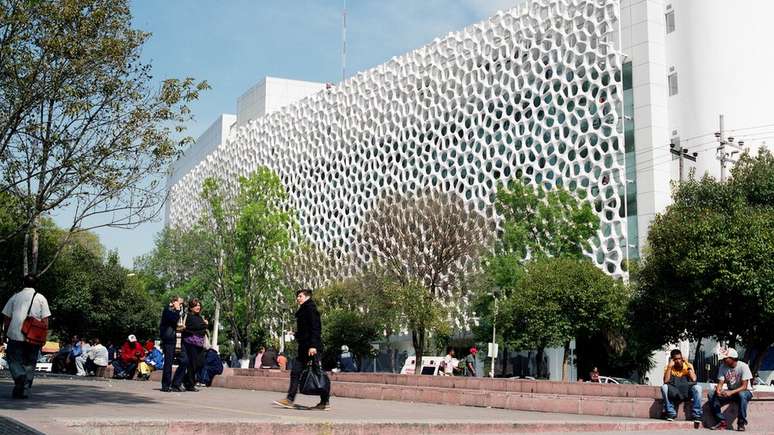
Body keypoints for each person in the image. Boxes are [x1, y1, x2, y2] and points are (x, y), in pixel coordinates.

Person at [273, 288, 330, 410]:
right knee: (296, 372)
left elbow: (316, 328)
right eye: (297, 296)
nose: (298, 298)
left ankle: (324, 402)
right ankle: (290, 399)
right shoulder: (304, 310)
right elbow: (306, 330)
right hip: (304, 347)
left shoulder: (310, 309)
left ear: (307, 297)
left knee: (318, 373)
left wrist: (313, 345)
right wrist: (296, 333)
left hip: (311, 348)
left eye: (300, 296)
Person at [1, 274, 51, 399]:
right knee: (30, 362)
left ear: (23, 283)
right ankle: (24, 389)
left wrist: (5, 333)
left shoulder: (15, 297)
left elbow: (7, 318)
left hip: (15, 334)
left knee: (13, 359)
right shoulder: (41, 298)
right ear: (36, 284)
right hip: (33, 337)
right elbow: (45, 320)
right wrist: (43, 337)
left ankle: (19, 376)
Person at [708, 348, 753, 431]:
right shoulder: (723, 367)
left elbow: (744, 386)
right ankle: (721, 421)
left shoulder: (743, 366)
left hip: (745, 392)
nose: (723, 361)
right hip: (732, 392)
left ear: (732, 358)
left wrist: (731, 392)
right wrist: (718, 390)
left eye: (725, 359)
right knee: (711, 394)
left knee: (742, 394)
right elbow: (721, 382)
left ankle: (741, 423)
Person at [172, 298, 208, 392]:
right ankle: (188, 384)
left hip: (199, 344)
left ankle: (187, 382)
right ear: (191, 307)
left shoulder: (200, 317)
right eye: (196, 305)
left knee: (199, 364)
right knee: (190, 364)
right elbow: (193, 327)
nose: (198, 307)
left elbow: (200, 329)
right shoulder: (188, 316)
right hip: (189, 343)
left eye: (199, 305)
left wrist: (203, 326)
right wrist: (203, 325)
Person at [660, 349, 702, 423]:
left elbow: (694, 379)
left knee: (698, 388)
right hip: (675, 392)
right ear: (672, 360)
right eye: (676, 359)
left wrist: (687, 363)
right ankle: (670, 413)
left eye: (680, 358)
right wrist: (669, 367)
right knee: (664, 387)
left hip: (686, 391)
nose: (678, 361)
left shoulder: (688, 366)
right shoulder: (668, 367)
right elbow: (666, 381)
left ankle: (697, 415)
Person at [159, 296, 183, 392]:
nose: (180, 305)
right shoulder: (167, 310)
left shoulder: (174, 311)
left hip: (174, 339)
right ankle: (165, 385)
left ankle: (176, 383)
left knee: (184, 360)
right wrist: (177, 310)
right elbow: (174, 319)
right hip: (168, 339)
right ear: (173, 302)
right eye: (179, 303)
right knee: (168, 362)